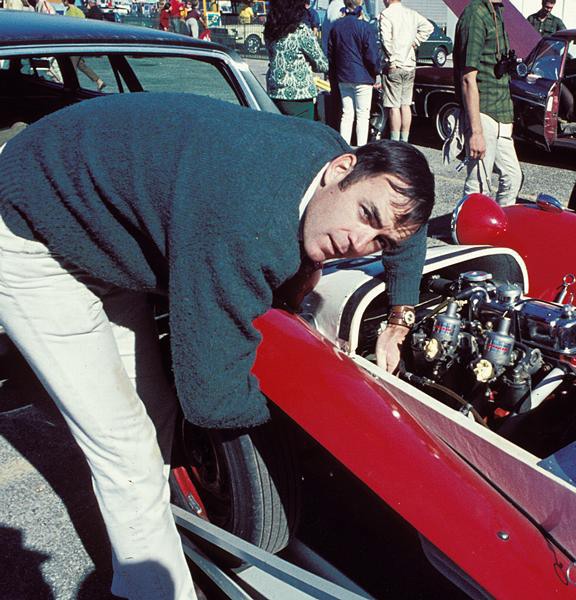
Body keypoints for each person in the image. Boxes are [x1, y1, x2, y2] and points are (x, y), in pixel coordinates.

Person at [0, 92, 433, 600]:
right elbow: (210, 394)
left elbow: (405, 223)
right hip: (33, 229)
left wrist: (400, 317)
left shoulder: (339, 160)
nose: (359, 244)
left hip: (94, 215)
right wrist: (316, 428)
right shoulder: (245, 223)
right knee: (123, 446)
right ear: (341, 169)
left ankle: (148, 523)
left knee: (154, 414)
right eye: (364, 215)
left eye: (379, 241)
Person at [451, 0, 522, 206]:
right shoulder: (475, 15)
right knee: (479, 185)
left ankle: (502, 222)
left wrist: (507, 119)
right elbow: (467, 78)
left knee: (512, 177)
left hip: (500, 112)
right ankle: (467, 225)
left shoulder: (496, 12)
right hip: (482, 113)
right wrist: (476, 132)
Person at [379, 0, 432, 142]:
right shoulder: (411, 13)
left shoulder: (386, 14)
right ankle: (405, 140)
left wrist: (392, 60)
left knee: (394, 106)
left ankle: (395, 140)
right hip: (409, 64)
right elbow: (429, 27)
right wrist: (415, 42)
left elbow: (385, 40)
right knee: (406, 104)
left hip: (395, 65)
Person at [328, 0, 380, 146]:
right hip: (363, 77)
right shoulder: (364, 26)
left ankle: (344, 147)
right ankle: (361, 148)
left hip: (343, 76)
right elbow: (371, 55)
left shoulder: (336, 26)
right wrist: (376, 72)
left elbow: (331, 54)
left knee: (347, 114)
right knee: (362, 115)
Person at [265, 0, 328, 119]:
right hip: (300, 95)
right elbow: (322, 63)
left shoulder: (270, 30)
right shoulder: (301, 30)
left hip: (275, 92)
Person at [62, 0, 106, 91]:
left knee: (72, 66)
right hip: (79, 42)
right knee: (80, 64)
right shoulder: (78, 11)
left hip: (74, 43)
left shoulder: (71, 11)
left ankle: (73, 88)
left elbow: (69, 27)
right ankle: (98, 81)